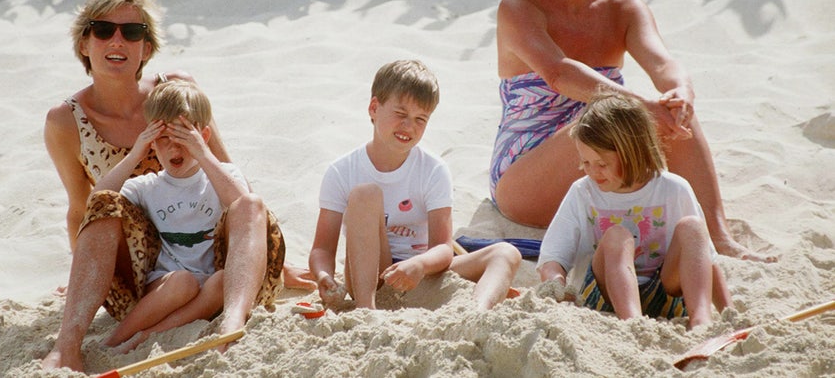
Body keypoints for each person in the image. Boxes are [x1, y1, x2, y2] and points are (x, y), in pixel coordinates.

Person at [488, 0, 773, 262]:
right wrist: (642, 108)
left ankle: (718, 236)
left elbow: (664, 63)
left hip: (608, 153)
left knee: (674, 113)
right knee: (633, 115)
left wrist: (681, 92)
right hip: (527, 173)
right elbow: (559, 73)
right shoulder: (519, 8)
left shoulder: (624, 8)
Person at [41, 0, 308, 371]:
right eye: (103, 30)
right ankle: (68, 346)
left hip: (208, 254)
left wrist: (270, 262)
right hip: (142, 271)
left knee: (243, 207)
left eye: (132, 32)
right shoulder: (65, 121)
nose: (118, 41)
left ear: (146, 47)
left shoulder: (175, 93)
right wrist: (84, 280)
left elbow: (232, 183)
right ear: (84, 43)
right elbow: (81, 208)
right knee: (105, 203)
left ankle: (230, 324)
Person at [309, 60, 521, 311]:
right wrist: (324, 276)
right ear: (374, 108)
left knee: (506, 253)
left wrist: (419, 265)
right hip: (372, 277)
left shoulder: (433, 169)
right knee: (366, 194)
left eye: (420, 119)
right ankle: (366, 311)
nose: (409, 126)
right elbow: (322, 248)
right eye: (400, 114)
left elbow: (442, 247)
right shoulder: (342, 170)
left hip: (423, 273)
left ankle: (476, 313)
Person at [95, 80, 283, 352]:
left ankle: (159, 332)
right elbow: (98, 203)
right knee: (182, 282)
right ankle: (114, 340)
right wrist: (137, 151)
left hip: (212, 288)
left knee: (221, 279)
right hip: (167, 285)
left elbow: (247, 210)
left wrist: (204, 155)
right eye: (163, 139)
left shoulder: (224, 176)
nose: (174, 149)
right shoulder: (146, 186)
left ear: (203, 137)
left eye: (183, 138)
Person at [537, 91, 732, 328]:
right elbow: (553, 257)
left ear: (634, 154)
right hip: (604, 295)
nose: (592, 171)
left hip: (665, 294)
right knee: (618, 236)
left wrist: (729, 311)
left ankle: (701, 321)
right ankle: (634, 324)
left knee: (692, 226)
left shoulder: (673, 189)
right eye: (585, 162)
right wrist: (557, 285)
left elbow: (705, 259)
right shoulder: (583, 192)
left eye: (602, 164)